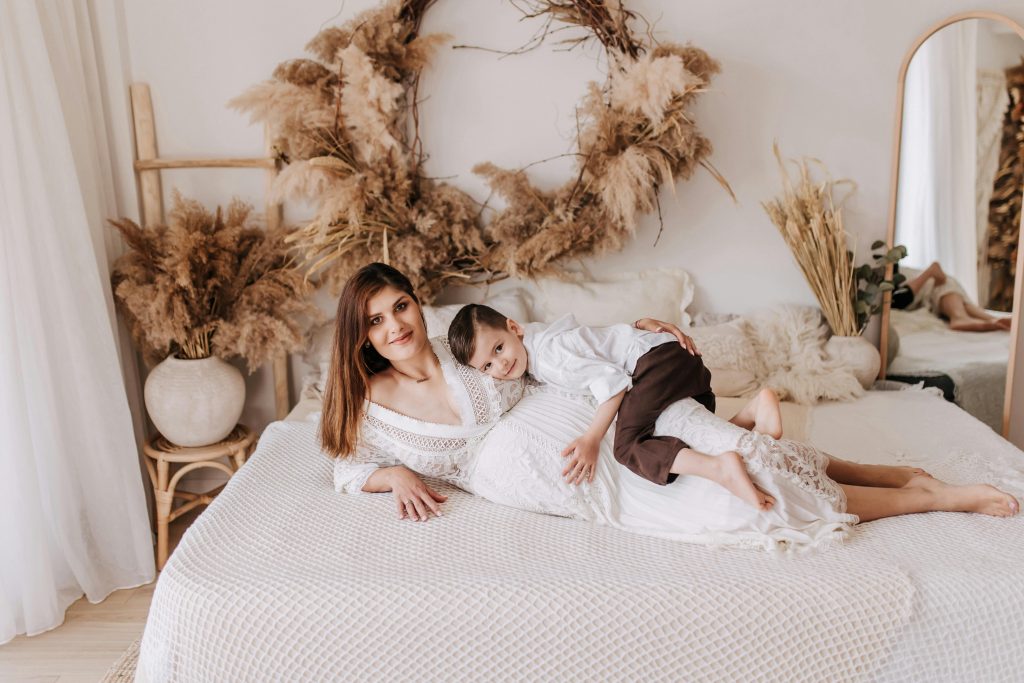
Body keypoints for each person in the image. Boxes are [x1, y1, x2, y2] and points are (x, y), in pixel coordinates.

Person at [321, 262, 1019, 550]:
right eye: (377, 320)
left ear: (416, 304)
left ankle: (925, 488)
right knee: (753, 498)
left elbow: (545, 352)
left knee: (751, 458)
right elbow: (346, 471)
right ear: (363, 336)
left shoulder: (462, 348)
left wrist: (638, 335)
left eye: (401, 305)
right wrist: (397, 476)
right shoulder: (369, 409)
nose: (395, 326)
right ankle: (925, 493)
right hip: (595, 485)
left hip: (626, 428)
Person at [447, 304, 781, 510]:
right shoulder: (537, 342)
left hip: (655, 363)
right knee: (689, 427)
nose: (500, 366)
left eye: (499, 349)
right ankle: (754, 411)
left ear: (514, 328)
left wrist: (592, 439)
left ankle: (720, 468)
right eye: (487, 367)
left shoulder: (549, 355)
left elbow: (614, 385)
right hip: (676, 363)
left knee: (627, 446)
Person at [893, 261, 1011, 332]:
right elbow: (897, 299)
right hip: (919, 285)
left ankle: (990, 319)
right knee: (945, 284)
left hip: (919, 284)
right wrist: (929, 272)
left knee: (956, 297)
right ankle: (959, 317)